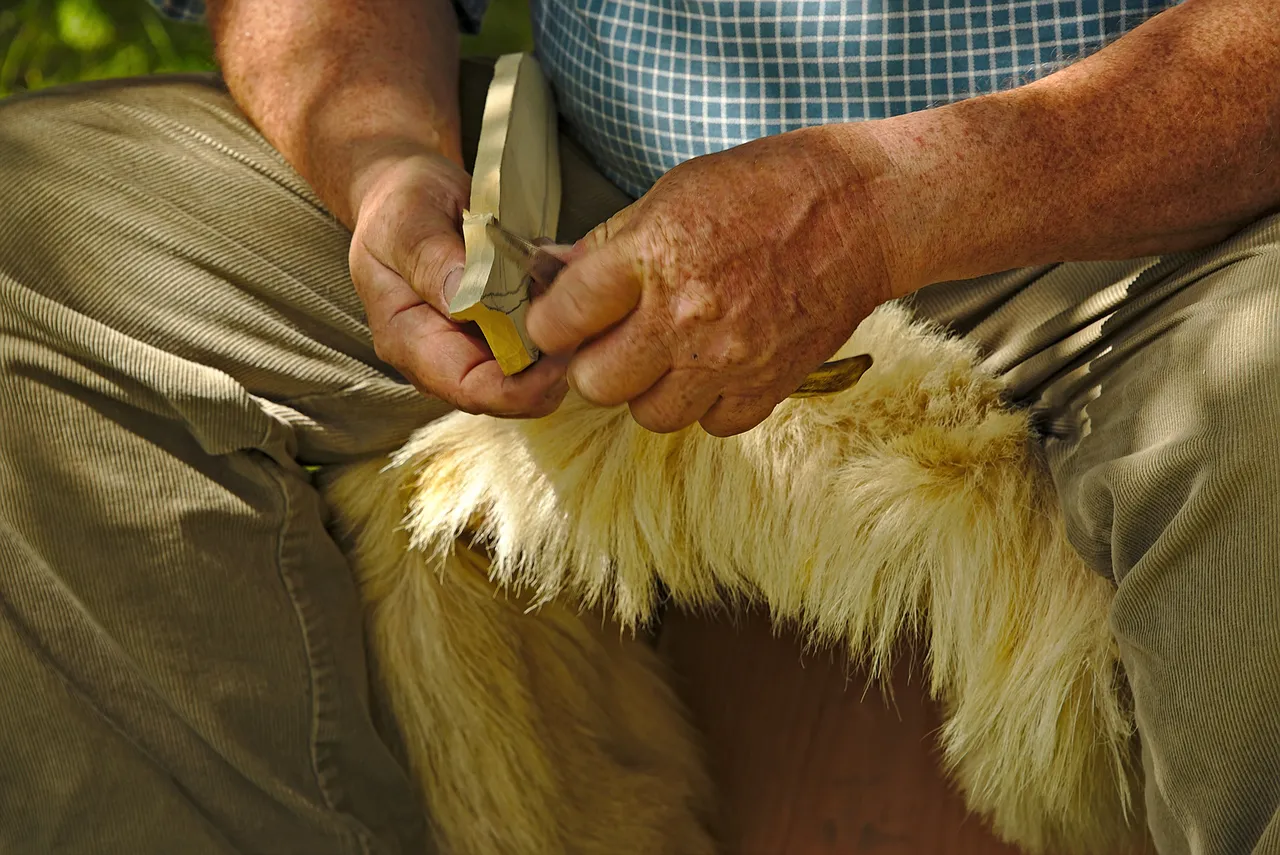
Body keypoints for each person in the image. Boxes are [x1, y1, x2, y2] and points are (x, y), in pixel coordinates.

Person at [1, 0, 1277, 852]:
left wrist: (890, 203)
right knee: (29, 267)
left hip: (1142, 229)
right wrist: (385, 162)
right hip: (580, 209)